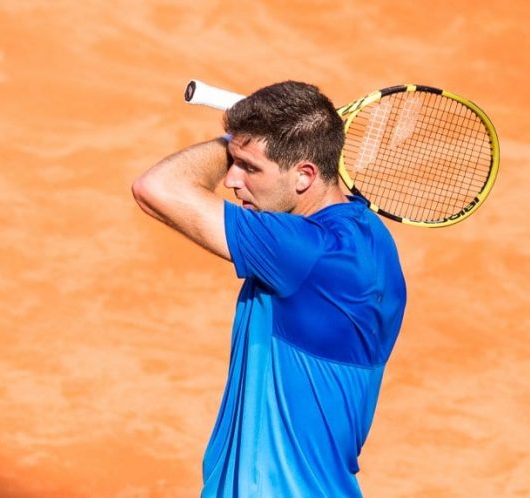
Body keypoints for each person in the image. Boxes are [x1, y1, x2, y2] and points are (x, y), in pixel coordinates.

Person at [132, 81, 406, 497]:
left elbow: (157, 189)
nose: (230, 180)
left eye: (249, 167)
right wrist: (258, 137)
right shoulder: (365, 234)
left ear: (305, 175)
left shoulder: (303, 253)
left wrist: (229, 139)